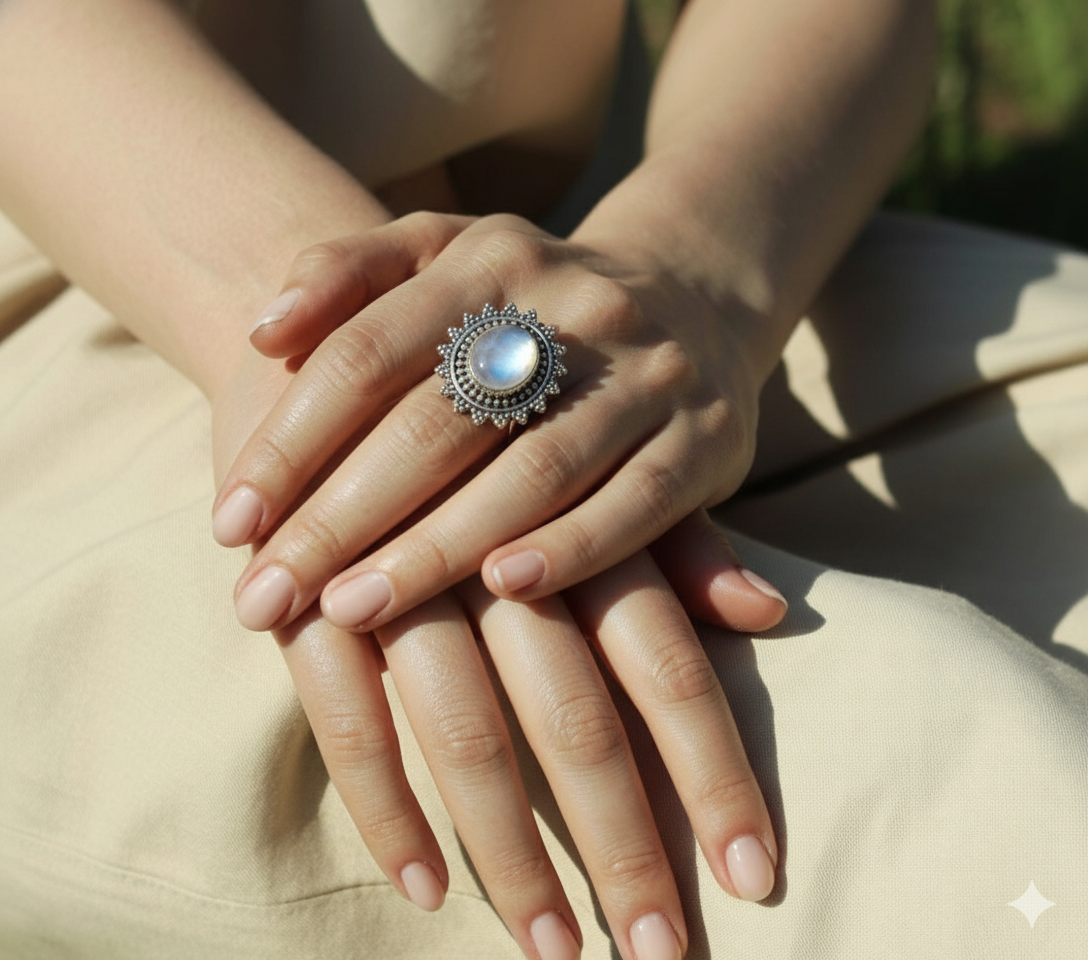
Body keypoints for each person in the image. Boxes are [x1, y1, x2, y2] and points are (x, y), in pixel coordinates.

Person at [1, 1, 1085, 959]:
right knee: (946, 773)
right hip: (111, 281)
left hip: (608, 257)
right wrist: (347, 361)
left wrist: (690, 272)